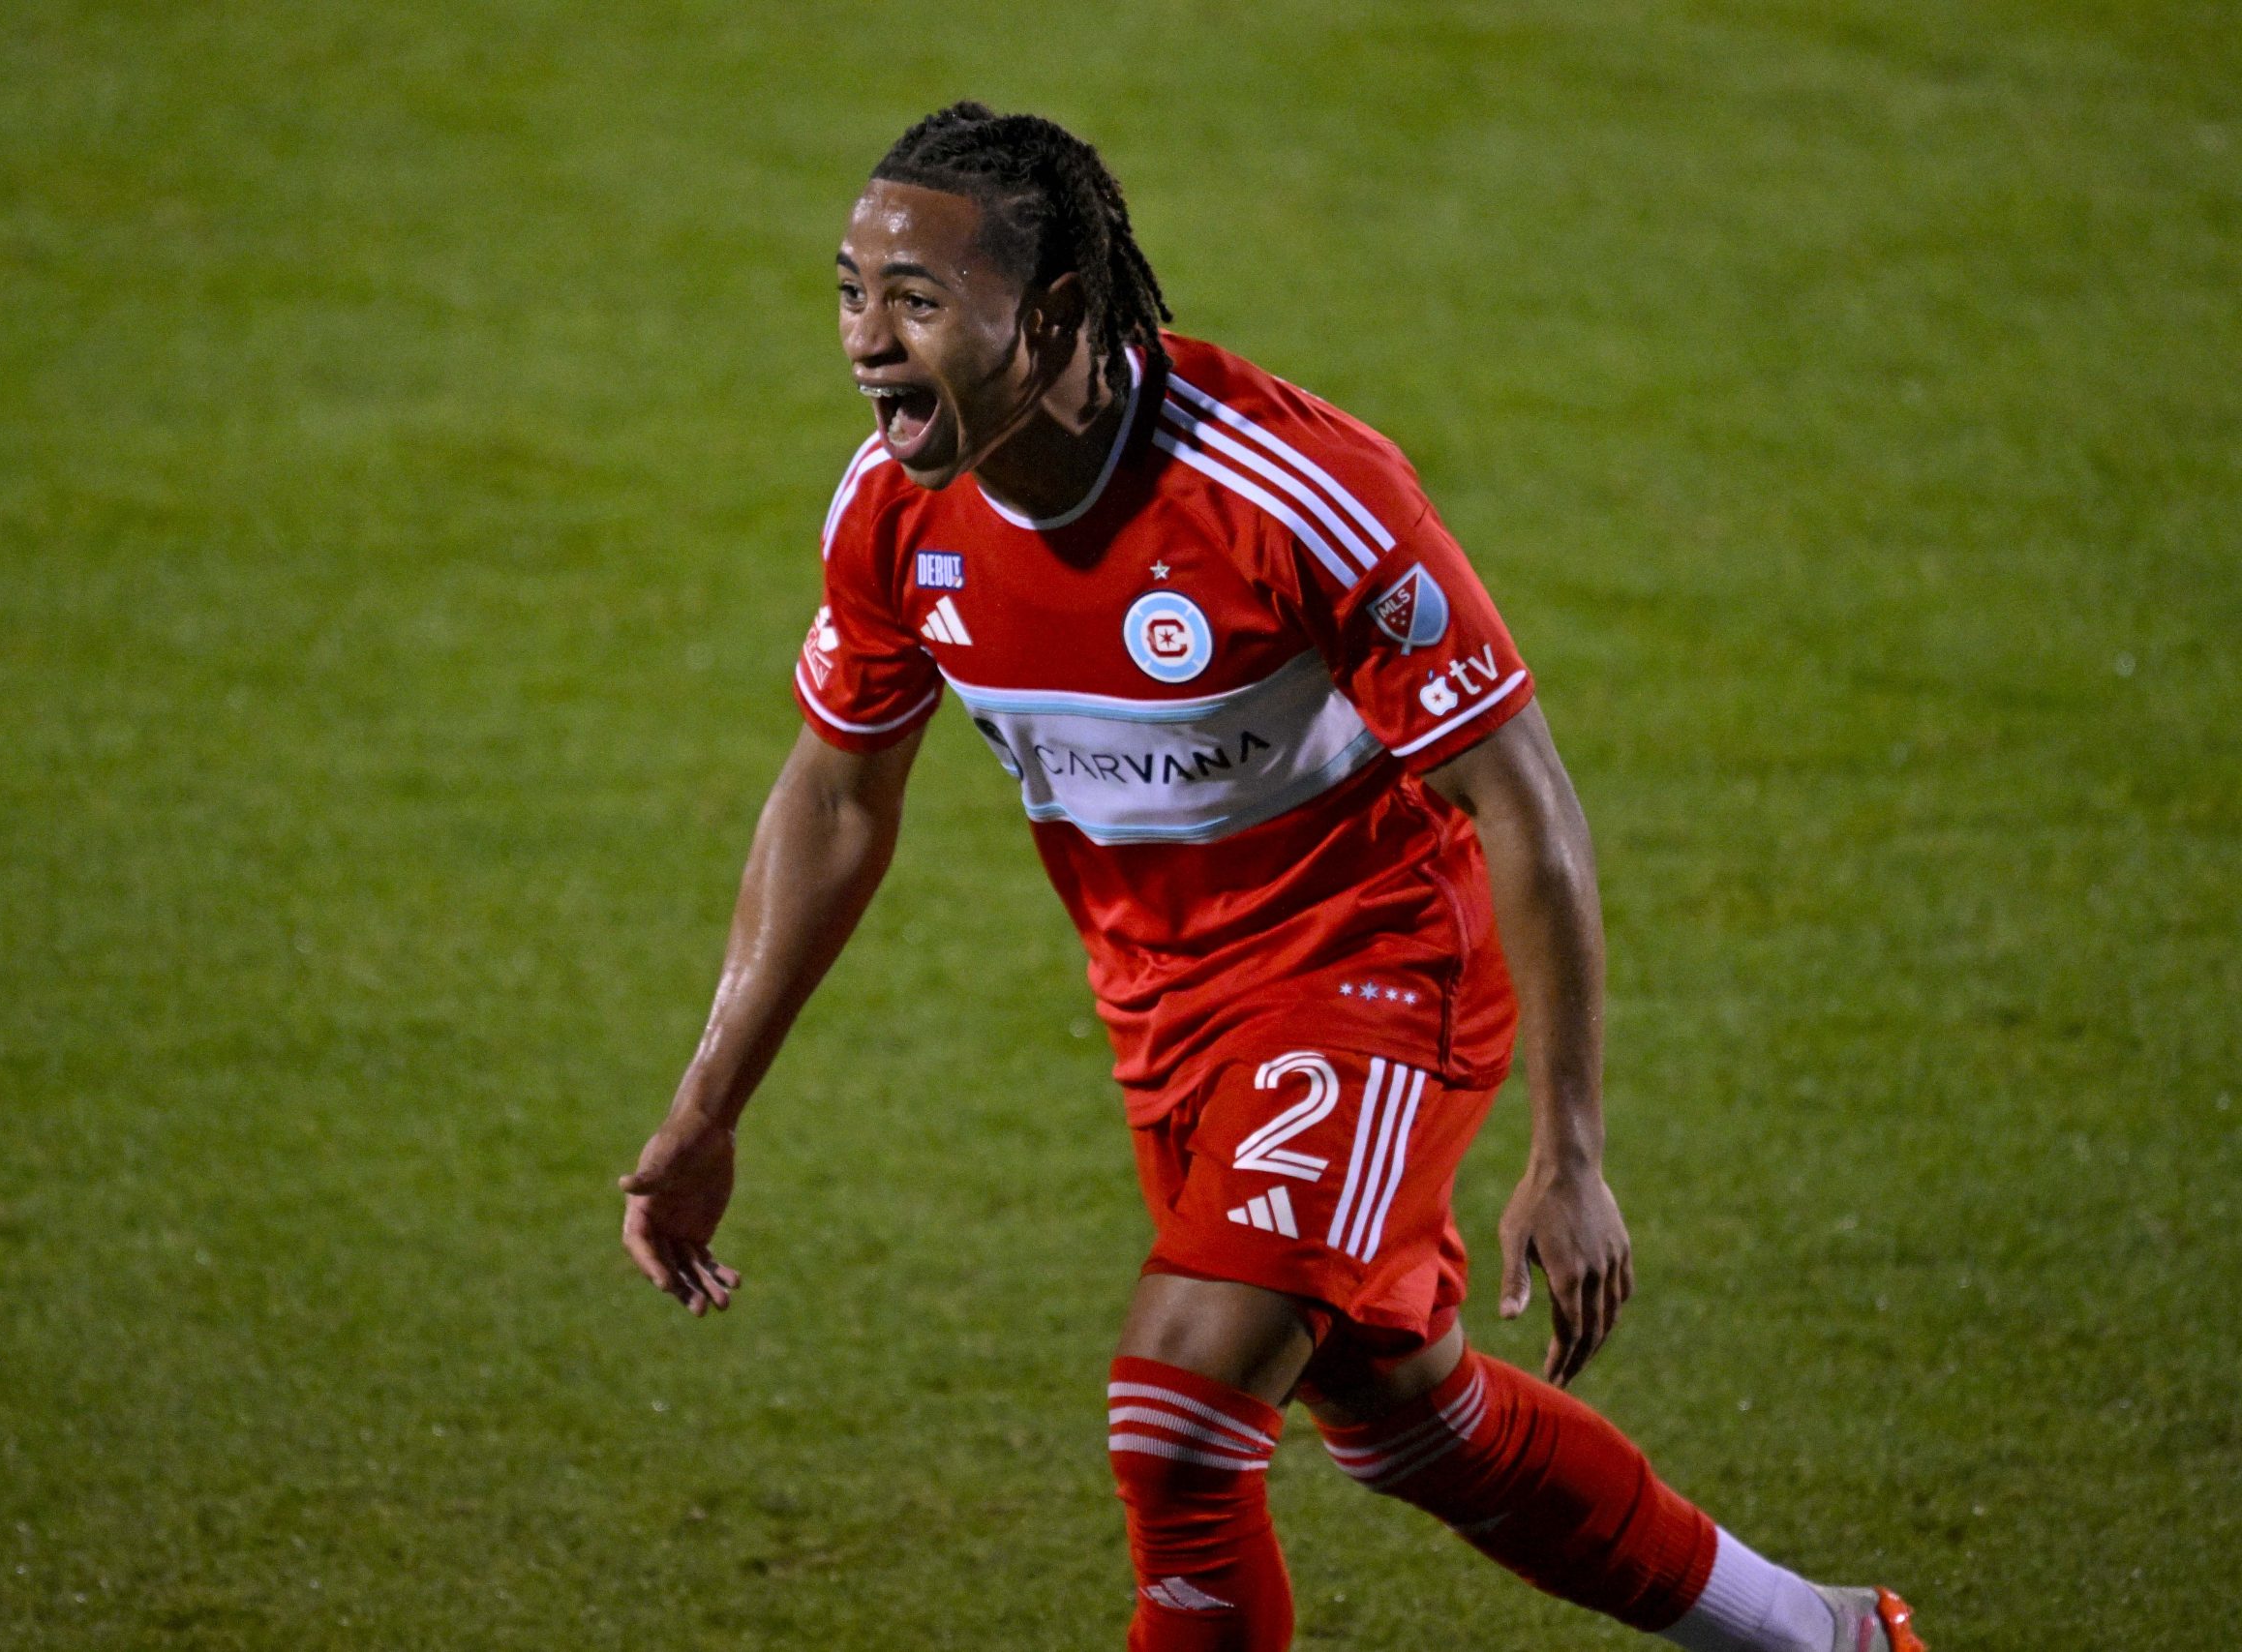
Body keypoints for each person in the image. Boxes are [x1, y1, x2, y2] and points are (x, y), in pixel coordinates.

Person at [620, 102, 1924, 1652]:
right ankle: (1828, 1640)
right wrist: (707, 1107)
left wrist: (1569, 1149)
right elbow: (835, 797)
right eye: (849, 290)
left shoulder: (1287, 494)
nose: (866, 341)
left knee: (1174, 1416)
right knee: (1394, 1414)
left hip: (1379, 974)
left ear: (1052, 315)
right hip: (1167, 1015)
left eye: (915, 301)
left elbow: (1525, 801)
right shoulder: (897, 517)